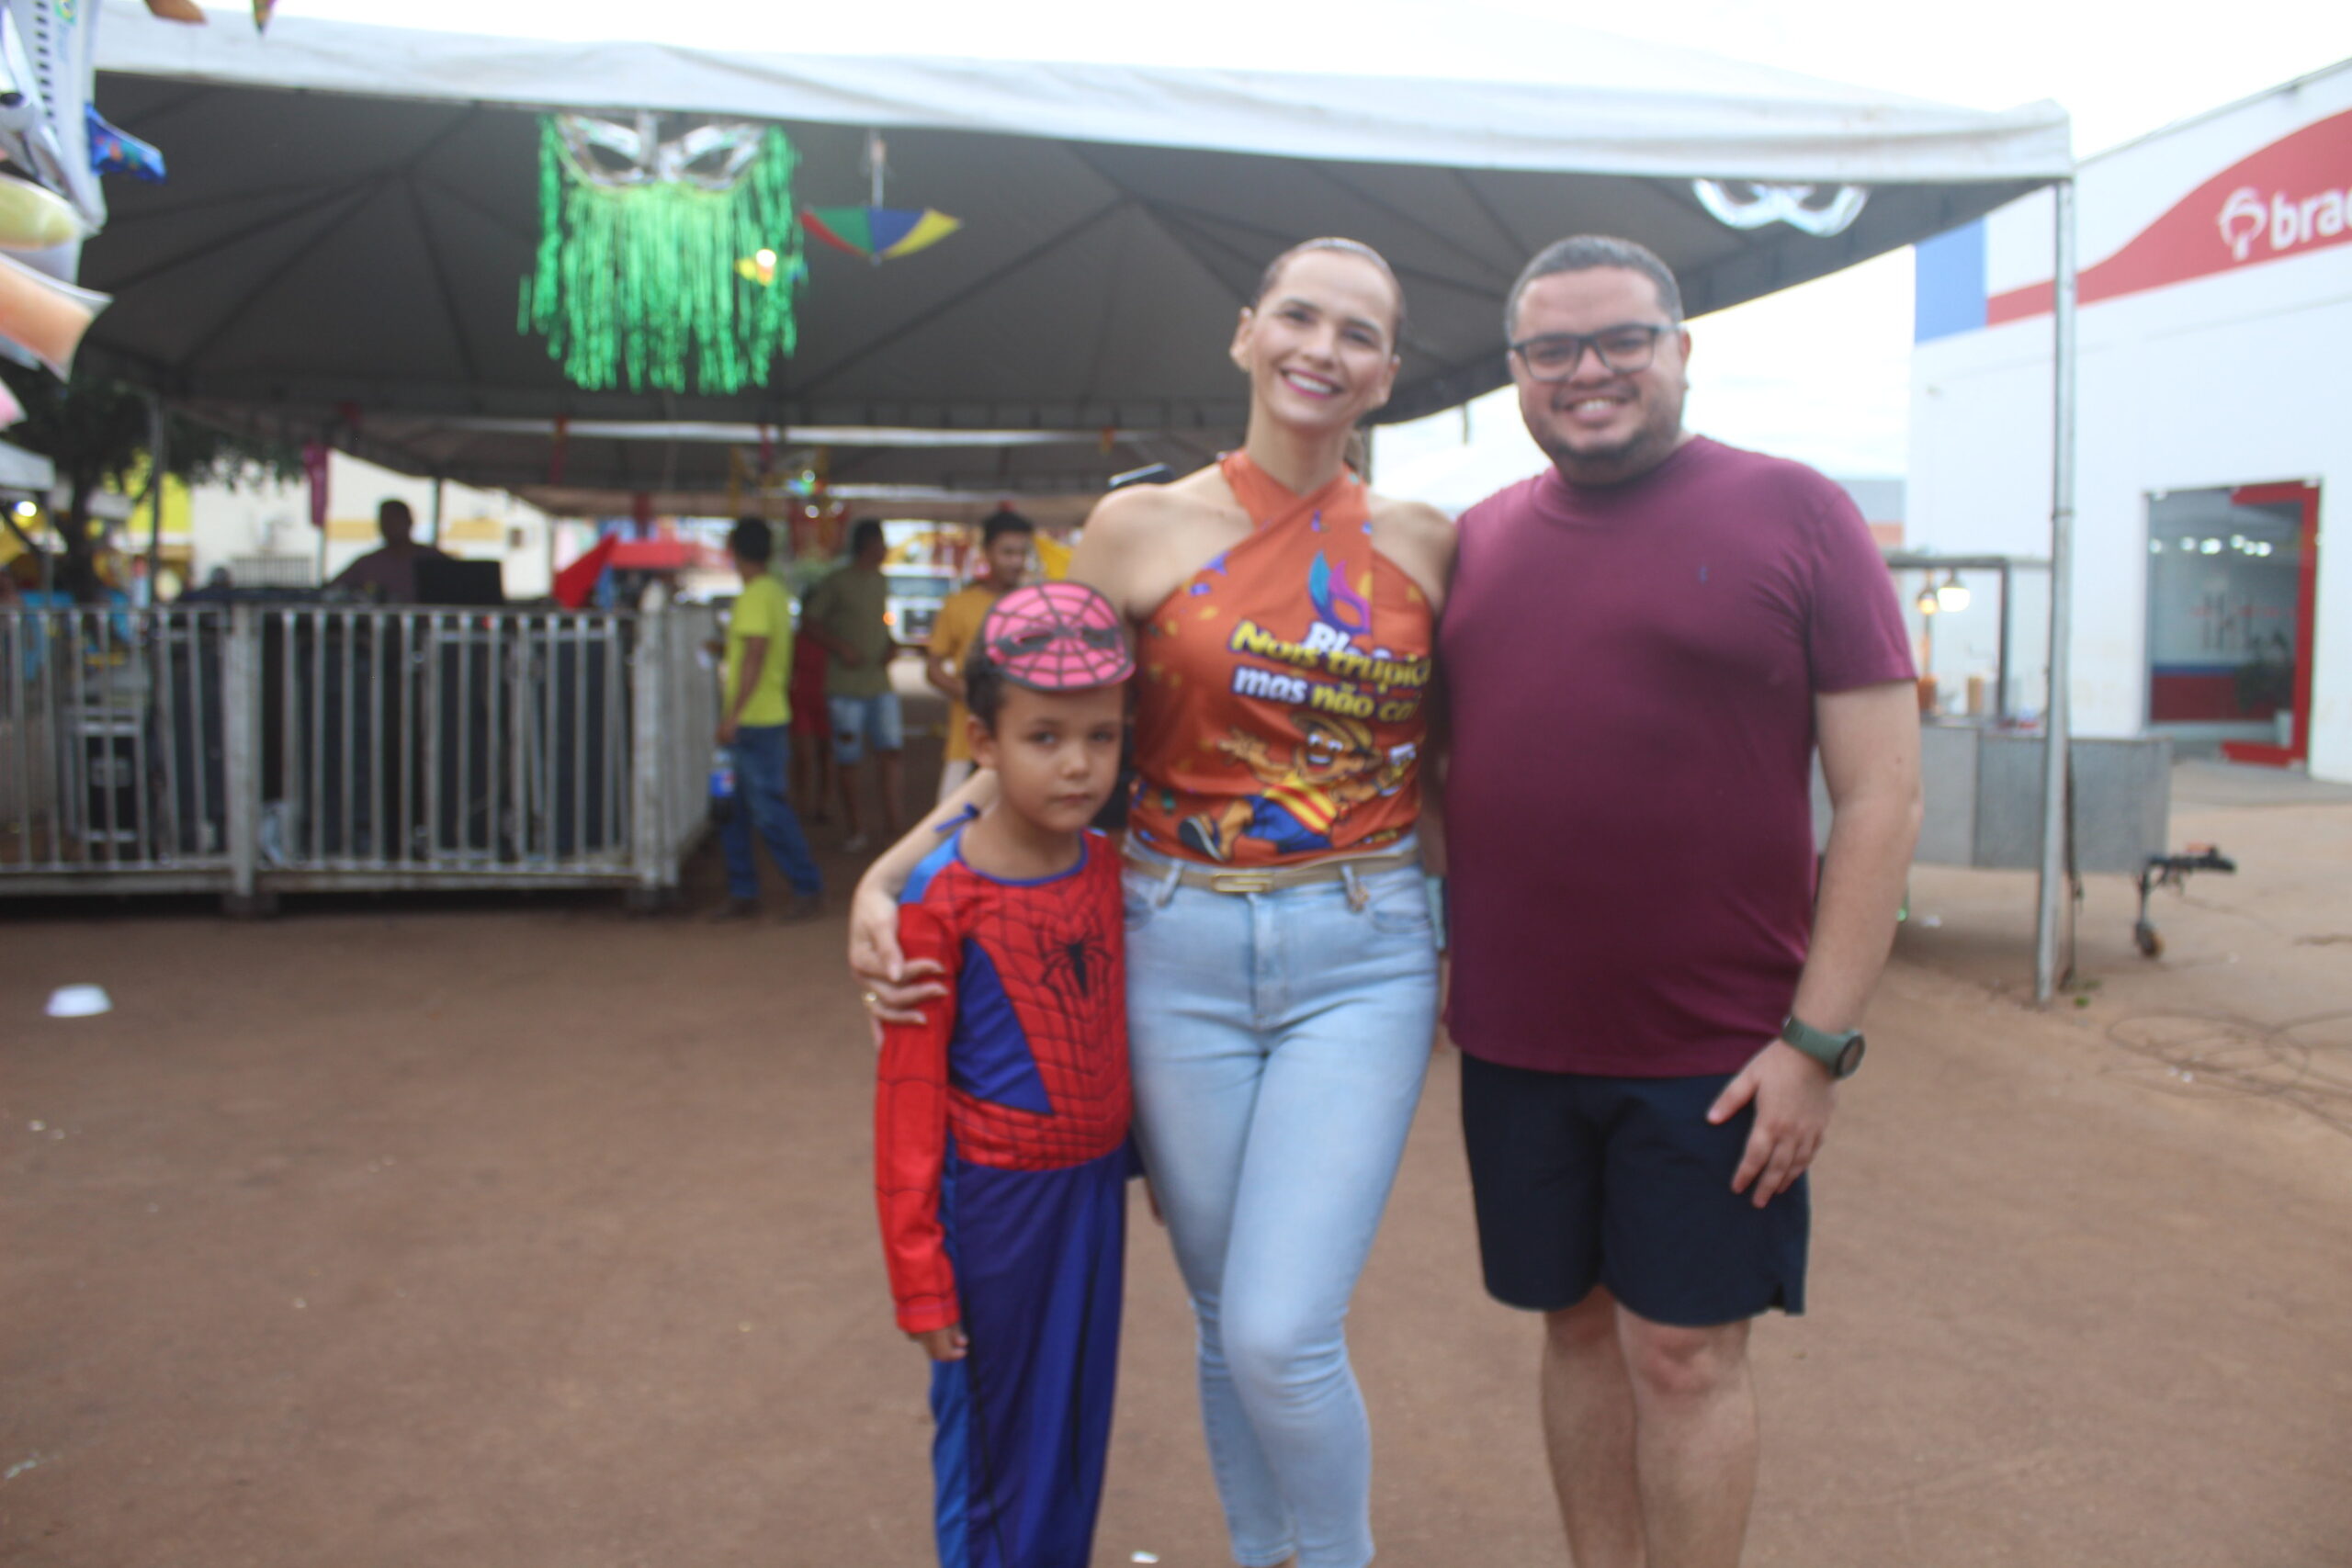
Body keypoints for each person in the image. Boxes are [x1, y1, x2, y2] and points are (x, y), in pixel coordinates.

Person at [855, 238, 1453, 1568]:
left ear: (1386, 375)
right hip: (1171, 945)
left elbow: (1459, 768)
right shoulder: (1137, 528)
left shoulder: (1426, 546)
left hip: (1361, 951)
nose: (1322, 347)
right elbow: (1035, 726)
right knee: (1221, 1312)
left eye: (1358, 332)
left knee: (1281, 1329)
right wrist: (892, 871)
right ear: (1246, 334)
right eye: (1298, 315)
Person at [1440, 234, 1923, 1568]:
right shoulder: (1477, 541)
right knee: (1576, 1327)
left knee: (1685, 1354)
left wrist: (1816, 1044)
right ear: (1516, 369)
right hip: (1518, 1041)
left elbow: (1882, 799)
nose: (1588, 371)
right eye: (1552, 348)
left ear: (1681, 348)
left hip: (1719, 1049)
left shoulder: (1799, 511)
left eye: (1622, 340)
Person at [873, 581, 1136, 1568]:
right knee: (989, 1444)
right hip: (992, 1212)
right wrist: (920, 1277)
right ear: (983, 742)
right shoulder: (941, 897)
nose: (1078, 764)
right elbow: (906, 1101)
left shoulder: (1108, 868)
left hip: (1093, 1198)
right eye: (1045, 737)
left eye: (1102, 737)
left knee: (1072, 1430)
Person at [714, 517, 824, 921]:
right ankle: (744, 890)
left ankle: (805, 885)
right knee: (737, 810)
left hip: (755, 720)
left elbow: (756, 653)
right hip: (766, 715)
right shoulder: (775, 592)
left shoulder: (754, 596)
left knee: (765, 809)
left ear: (735, 552)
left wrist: (733, 715)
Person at [802, 518, 904, 852]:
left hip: (879, 683)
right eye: (881, 542)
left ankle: (893, 826)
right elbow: (809, 622)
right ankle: (856, 828)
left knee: (891, 752)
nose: (885, 549)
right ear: (868, 545)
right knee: (848, 759)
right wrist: (841, 648)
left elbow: (881, 620)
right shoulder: (837, 582)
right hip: (845, 688)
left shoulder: (880, 581)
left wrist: (890, 643)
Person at [925, 507, 1035, 804]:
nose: (1016, 561)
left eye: (1022, 553)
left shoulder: (1035, 606)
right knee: (952, 821)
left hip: (1023, 741)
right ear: (986, 552)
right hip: (965, 744)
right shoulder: (958, 604)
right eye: (1007, 552)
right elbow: (933, 669)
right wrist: (972, 693)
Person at [330, 500, 448, 604]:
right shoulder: (368, 563)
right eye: (384, 520)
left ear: (409, 521)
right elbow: (333, 589)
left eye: (394, 519)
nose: (387, 525)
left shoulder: (433, 558)